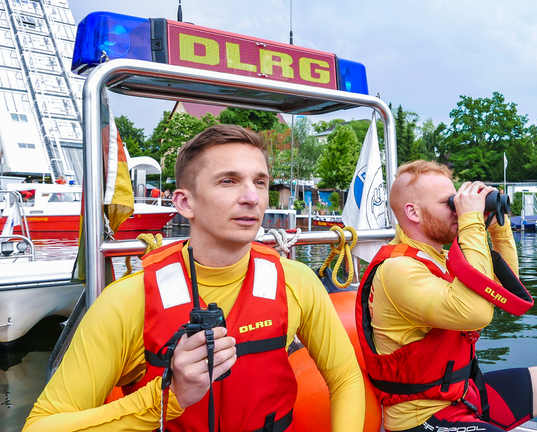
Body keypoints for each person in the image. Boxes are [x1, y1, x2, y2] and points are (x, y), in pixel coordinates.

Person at [24, 124, 365, 432]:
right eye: (229, 181)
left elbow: (346, 377)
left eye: (260, 182)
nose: (251, 197)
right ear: (185, 203)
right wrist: (169, 398)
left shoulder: (297, 281)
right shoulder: (129, 300)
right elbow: (41, 425)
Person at [356, 160, 537, 432]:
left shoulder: (436, 258)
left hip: (461, 396)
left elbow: (502, 287)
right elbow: (477, 312)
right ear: (413, 212)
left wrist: (498, 227)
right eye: (449, 203)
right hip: (422, 418)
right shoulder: (398, 270)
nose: (457, 209)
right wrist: (470, 221)